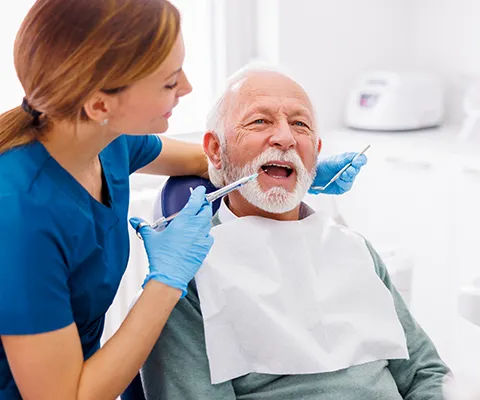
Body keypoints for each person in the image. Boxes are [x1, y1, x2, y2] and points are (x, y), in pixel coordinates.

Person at [0, 2, 366, 399]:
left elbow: (210, 160)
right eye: (169, 81)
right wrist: (166, 281)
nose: (187, 87)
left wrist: (294, 170)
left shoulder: (107, 141)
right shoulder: (20, 217)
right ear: (101, 105)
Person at [141, 68, 452, 399]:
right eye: (260, 121)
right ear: (216, 150)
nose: (285, 138)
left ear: (315, 153)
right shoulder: (189, 278)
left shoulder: (354, 251)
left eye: (300, 124)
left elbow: (427, 373)